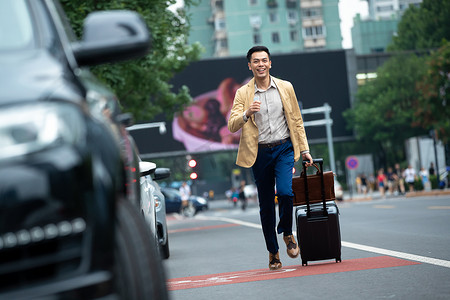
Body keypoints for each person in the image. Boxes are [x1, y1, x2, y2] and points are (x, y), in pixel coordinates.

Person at [228, 46, 313, 270]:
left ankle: (286, 232)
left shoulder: (285, 87)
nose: (261, 64)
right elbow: (231, 124)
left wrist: (304, 150)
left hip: (284, 148)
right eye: (256, 61)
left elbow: (296, 120)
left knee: (285, 192)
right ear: (250, 65)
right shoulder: (243, 93)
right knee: (266, 205)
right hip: (259, 153)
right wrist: (247, 113)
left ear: (270, 63)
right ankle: (273, 252)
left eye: (264, 60)